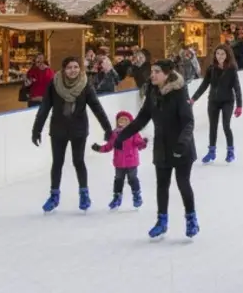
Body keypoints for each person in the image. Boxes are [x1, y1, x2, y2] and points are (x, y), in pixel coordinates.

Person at [113, 60, 199, 239]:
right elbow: (142, 118)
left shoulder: (179, 92)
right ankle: (162, 221)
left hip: (181, 146)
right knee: (162, 185)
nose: (152, 74)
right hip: (162, 146)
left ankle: (191, 219)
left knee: (183, 183)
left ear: (167, 74)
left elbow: (188, 121)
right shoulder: (152, 92)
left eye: (157, 71)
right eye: (152, 71)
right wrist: (123, 135)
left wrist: (182, 143)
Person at [31, 56, 113, 212]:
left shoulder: (85, 85)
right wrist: (37, 129)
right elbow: (44, 108)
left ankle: (84, 194)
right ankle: (54, 196)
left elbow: (96, 107)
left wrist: (107, 128)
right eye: (69, 67)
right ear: (63, 69)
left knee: (78, 161)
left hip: (78, 130)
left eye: (76, 67)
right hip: (58, 129)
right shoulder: (54, 84)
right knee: (57, 162)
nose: (73, 70)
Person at [191, 43, 243, 164]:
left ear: (227, 55)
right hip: (213, 101)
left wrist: (239, 105)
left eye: (222, 54)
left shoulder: (231, 69)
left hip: (227, 101)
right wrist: (194, 98)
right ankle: (211, 151)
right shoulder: (211, 69)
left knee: (226, 126)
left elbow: (237, 88)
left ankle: (230, 151)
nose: (220, 56)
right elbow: (204, 85)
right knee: (212, 127)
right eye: (218, 53)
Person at [91, 110, 147, 209]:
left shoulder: (133, 133)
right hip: (119, 163)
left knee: (132, 179)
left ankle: (137, 196)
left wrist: (143, 143)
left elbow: (139, 144)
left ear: (130, 122)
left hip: (131, 162)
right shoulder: (114, 134)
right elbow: (108, 146)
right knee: (118, 180)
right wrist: (99, 148)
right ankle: (117, 197)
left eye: (126, 120)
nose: (123, 122)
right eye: (121, 120)